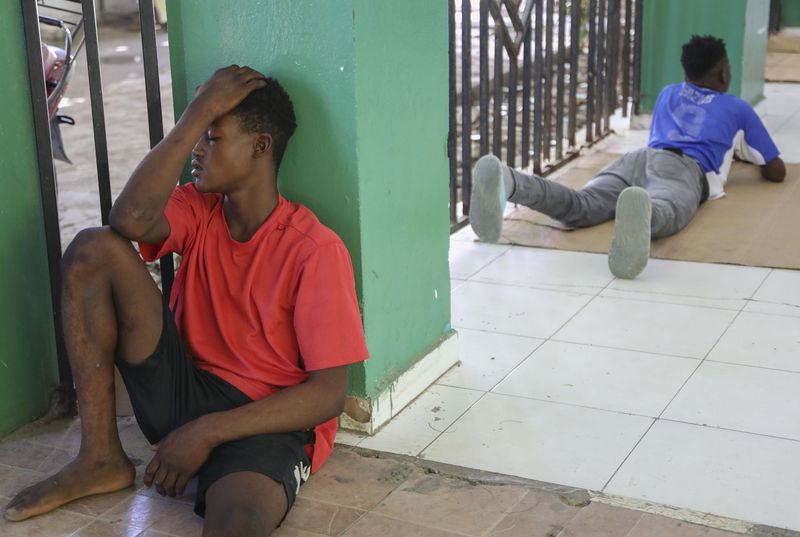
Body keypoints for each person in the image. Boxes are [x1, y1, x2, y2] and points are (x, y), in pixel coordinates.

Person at [4, 65, 369, 536]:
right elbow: (130, 219)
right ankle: (99, 459)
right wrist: (198, 113)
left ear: (261, 146)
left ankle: (213, 454)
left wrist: (207, 432)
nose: (196, 148)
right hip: (181, 387)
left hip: (262, 420)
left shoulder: (313, 249)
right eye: (197, 132)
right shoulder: (196, 208)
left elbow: (328, 395)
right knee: (94, 248)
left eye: (212, 136)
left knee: (237, 523)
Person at [470, 35, 786, 279]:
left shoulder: (667, 93)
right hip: (685, 170)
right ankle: (643, 213)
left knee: (581, 206)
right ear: (723, 72)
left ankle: (511, 181)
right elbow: (776, 170)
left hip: (639, 159)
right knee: (670, 210)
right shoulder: (737, 107)